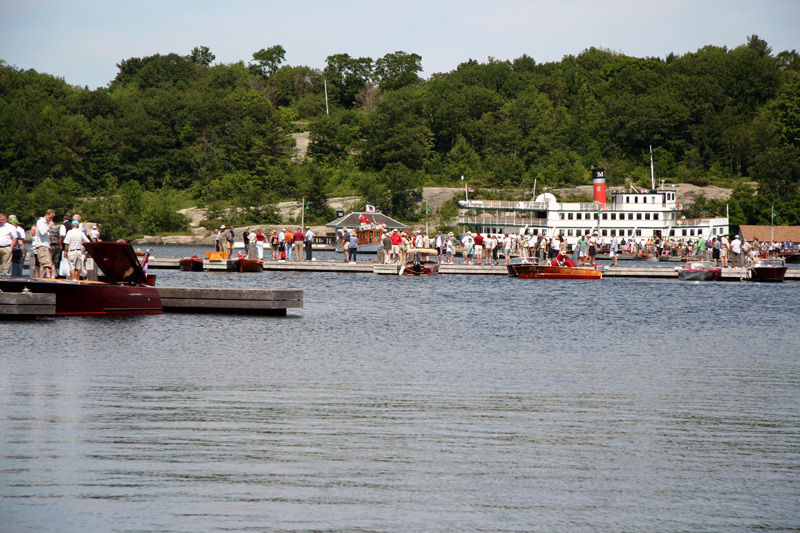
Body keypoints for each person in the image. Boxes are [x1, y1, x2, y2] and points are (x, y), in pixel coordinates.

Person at [33, 210, 55, 278]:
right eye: (50, 217)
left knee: (47, 264)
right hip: (42, 245)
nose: (51, 219)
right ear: (47, 214)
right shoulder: (41, 221)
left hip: (45, 244)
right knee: (44, 264)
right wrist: (49, 226)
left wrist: (49, 238)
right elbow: (42, 232)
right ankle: (42, 279)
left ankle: (44, 278)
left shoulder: (45, 223)